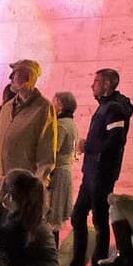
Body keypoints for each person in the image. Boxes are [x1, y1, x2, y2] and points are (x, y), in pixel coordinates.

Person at [61, 67, 133, 266]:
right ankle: (78, 265)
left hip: (101, 173)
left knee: (99, 219)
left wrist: (89, 146)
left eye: (96, 82)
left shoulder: (114, 109)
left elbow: (115, 139)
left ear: (107, 84)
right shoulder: (106, 107)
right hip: (92, 172)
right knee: (79, 216)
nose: (92, 86)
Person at [0, 59, 57, 204]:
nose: (10, 77)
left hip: (20, 182)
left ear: (28, 78)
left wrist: (39, 183)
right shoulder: (7, 107)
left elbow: (46, 151)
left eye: (15, 73)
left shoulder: (43, 108)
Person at [47, 91, 78, 232]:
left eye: (54, 101)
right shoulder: (71, 123)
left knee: (52, 217)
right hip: (65, 172)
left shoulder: (60, 125)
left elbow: (53, 150)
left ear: (60, 104)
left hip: (57, 173)